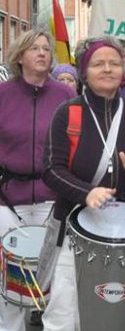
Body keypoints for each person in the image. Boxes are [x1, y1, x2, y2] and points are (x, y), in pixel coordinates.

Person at [41, 36, 125, 330]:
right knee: (63, 314)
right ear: (84, 71)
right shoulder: (69, 113)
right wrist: (87, 192)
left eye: (114, 63)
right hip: (74, 224)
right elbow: (51, 168)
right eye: (99, 63)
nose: (108, 69)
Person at [0, 30, 75, 331]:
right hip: (7, 198)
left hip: (52, 197)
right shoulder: (2, 95)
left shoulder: (66, 95)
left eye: (46, 48)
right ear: (20, 57)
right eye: (34, 48)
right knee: (9, 275)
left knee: (58, 273)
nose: (43, 53)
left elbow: (76, 143)